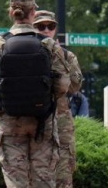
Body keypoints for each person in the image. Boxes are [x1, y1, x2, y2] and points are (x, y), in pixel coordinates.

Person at [0, 0, 70, 188]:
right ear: (33, 12)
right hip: (42, 120)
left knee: (16, 180)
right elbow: (63, 85)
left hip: (10, 121)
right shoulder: (48, 44)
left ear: (12, 13)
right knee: (44, 179)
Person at [33, 10, 83, 188]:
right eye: (40, 26)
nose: (46, 30)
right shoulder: (24, 55)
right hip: (33, 120)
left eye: (50, 26)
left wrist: (59, 56)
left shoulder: (66, 55)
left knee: (63, 173)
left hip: (60, 119)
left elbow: (75, 86)